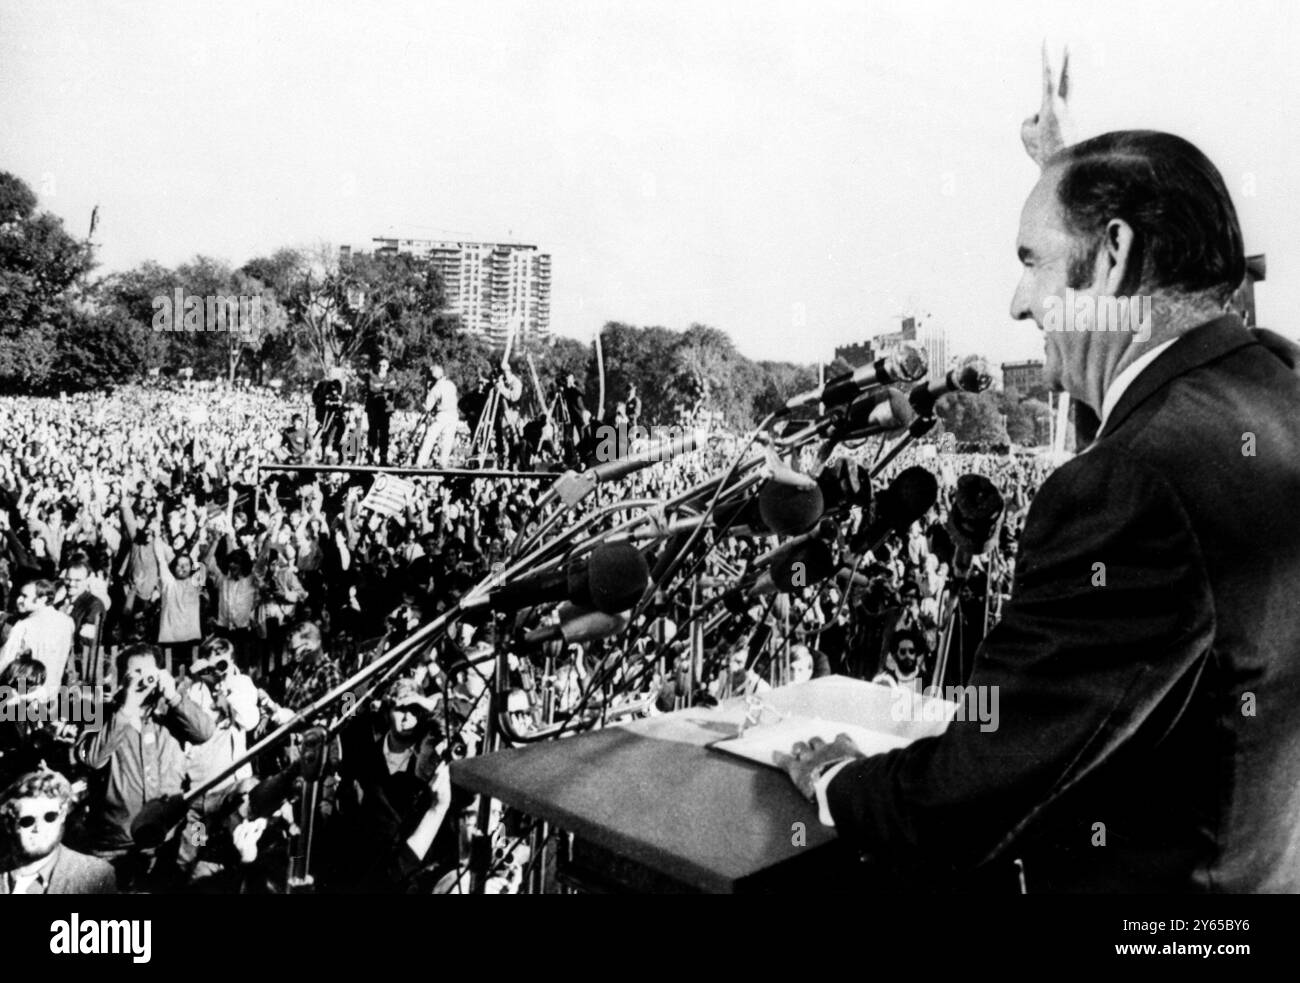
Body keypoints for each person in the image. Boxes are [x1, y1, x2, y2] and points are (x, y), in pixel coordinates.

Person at [781, 130, 1300, 893]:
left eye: (1032, 261)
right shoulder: (1275, 393)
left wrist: (834, 779)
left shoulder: (1130, 485)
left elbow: (969, 793)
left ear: (1113, 254)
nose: (1017, 302)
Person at [83, 643, 214, 886]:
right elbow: (93, 758)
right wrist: (128, 706)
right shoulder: (101, 714)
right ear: (122, 680)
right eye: (136, 673)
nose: (145, 680)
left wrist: (174, 696)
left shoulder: (171, 712)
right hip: (116, 841)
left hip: (167, 837)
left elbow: (205, 732)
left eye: (150, 672)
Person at [0, 769, 116, 894]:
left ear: (62, 817)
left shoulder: (95, 875)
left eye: (50, 817)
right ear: (8, 824)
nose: (39, 828)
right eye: (27, 821)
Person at [0, 578, 74, 691]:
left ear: (42, 599)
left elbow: (4, 661)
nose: (19, 599)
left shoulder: (24, 625)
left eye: (24, 596)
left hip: (23, 692)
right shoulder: (66, 622)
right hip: (51, 691)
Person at [416, 363, 459, 468]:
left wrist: (421, 402)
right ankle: (443, 462)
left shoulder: (436, 388)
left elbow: (427, 407)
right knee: (447, 440)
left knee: (430, 437)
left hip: (442, 414)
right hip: (453, 414)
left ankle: (421, 462)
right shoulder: (451, 385)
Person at [364, 356, 398, 466]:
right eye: (379, 365)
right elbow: (371, 388)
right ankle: (370, 456)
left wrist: (381, 386)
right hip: (373, 408)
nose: (381, 367)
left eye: (384, 365)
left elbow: (394, 387)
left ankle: (383, 458)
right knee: (372, 432)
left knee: (384, 434)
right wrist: (385, 387)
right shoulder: (371, 375)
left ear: (387, 367)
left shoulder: (391, 376)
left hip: (385, 409)